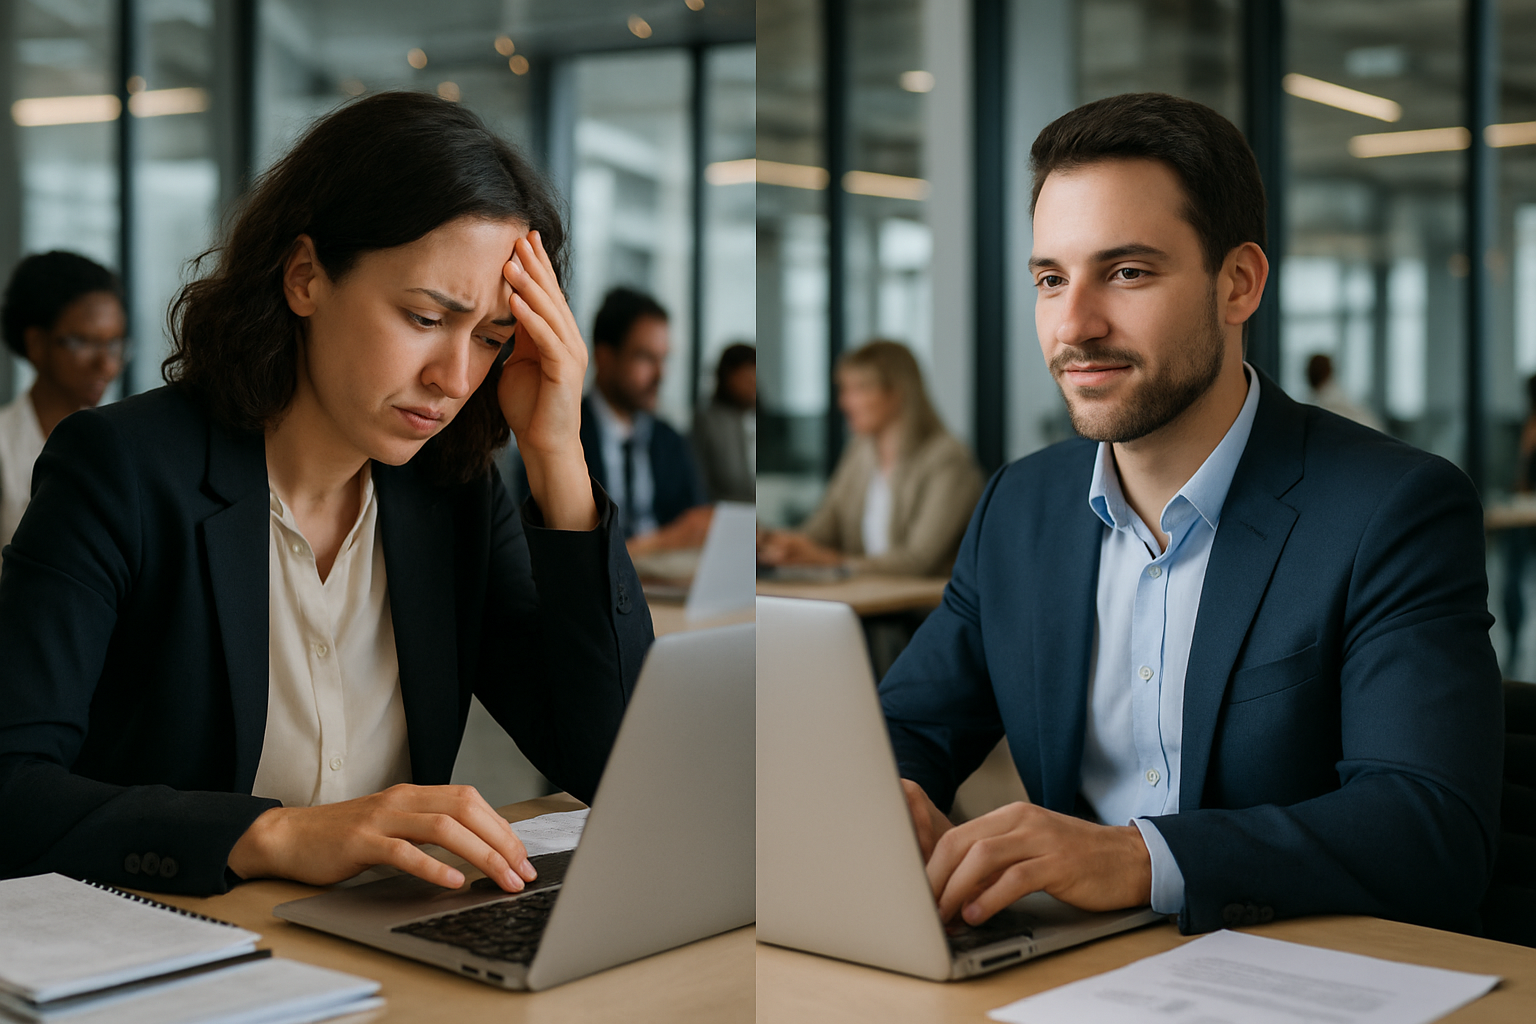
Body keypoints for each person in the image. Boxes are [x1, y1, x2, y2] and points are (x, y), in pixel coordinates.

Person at [0, 92, 652, 898]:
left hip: (385, 956)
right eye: (423, 317)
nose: (453, 380)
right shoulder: (122, 469)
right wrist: (270, 833)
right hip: (181, 956)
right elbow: (12, 787)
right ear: (304, 276)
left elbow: (622, 765)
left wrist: (557, 452)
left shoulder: (453, 496)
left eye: (491, 339)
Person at [880, 93, 1501, 937]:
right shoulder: (1019, 506)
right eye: (1051, 279)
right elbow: (907, 722)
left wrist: (1138, 859)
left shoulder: (1390, 509)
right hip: (1070, 971)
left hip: (1290, 975)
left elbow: (1430, 828)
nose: (1075, 324)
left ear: (1237, 283)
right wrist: (889, 798)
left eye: (1128, 272)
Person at [757, 339, 983, 578]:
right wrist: (777, 542)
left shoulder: (948, 459)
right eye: (844, 390)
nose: (845, 403)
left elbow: (918, 560)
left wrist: (830, 562)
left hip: (923, 608)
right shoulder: (860, 451)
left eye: (859, 389)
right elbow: (823, 528)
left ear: (897, 393)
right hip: (871, 601)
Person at [0, 251, 127, 551]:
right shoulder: (5, 446)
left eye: (114, 343)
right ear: (36, 343)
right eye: (84, 342)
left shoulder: (122, 440)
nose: (107, 365)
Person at [577, 286, 711, 556]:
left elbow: (698, 524)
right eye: (645, 357)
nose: (661, 374)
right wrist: (657, 544)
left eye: (663, 359)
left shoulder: (669, 440)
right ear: (604, 357)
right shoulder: (566, 436)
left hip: (666, 585)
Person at [692, 342, 756, 504]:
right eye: (747, 379)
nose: (753, 386)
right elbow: (698, 485)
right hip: (722, 515)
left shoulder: (753, 418)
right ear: (728, 376)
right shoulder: (707, 421)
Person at [1305, 352, 1384, 431]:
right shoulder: (1321, 397)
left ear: (1327, 371)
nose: (1309, 374)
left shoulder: (1332, 402)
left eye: (1314, 369)